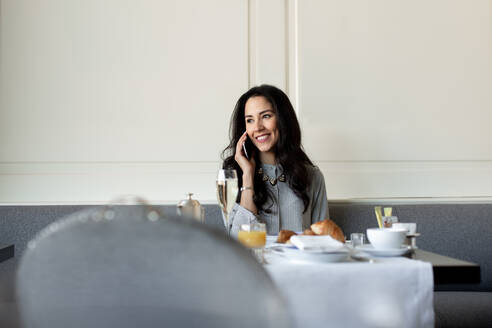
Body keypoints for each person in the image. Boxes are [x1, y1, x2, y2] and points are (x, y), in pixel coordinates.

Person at [221, 84, 329, 236]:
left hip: (298, 259)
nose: (257, 127)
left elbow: (322, 240)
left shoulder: (312, 176)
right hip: (252, 260)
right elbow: (238, 241)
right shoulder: (231, 176)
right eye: (250, 120)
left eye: (266, 116)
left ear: (283, 119)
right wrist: (247, 176)